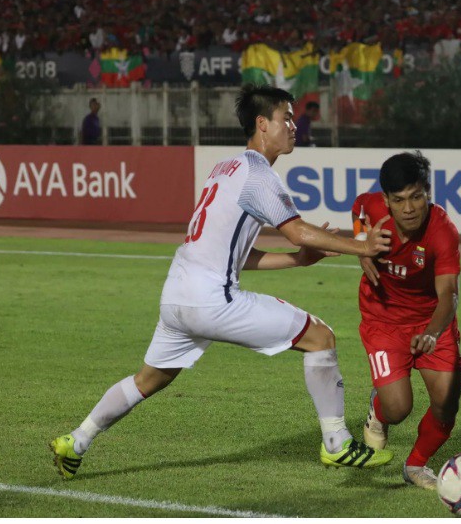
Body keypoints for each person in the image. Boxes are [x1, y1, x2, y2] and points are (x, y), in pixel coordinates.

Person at [50, 84, 395, 479]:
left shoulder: (225, 168)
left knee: (148, 379)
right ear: (262, 124)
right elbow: (298, 231)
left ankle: (76, 441)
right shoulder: (258, 175)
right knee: (320, 336)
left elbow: (236, 255)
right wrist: (361, 246)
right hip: (211, 300)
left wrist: (298, 262)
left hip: (177, 296)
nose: (294, 125)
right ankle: (337, 444)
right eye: (286, 117)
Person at [351, 151, 461, 490]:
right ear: (386, 200)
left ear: (427, 192)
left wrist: (432, 333)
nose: (409, 208)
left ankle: (415, 465)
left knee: (446, 403)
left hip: (432, 322)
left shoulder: (442, 231)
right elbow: (358, 208)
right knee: (398, 409)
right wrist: (360, 246)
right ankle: (379, 407)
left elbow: (449, 295)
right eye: (398, 200)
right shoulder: (373, 207)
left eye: (416, 197)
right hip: (382, 318)